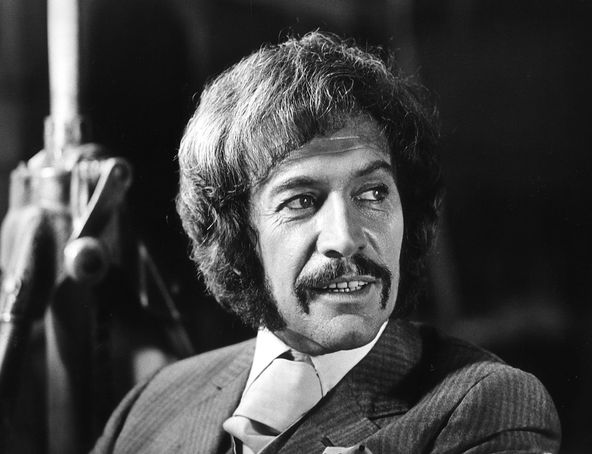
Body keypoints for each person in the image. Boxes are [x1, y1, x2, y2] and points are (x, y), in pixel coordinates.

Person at [93, 31, 561, 454]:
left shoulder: (484, 406)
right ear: (238, 236)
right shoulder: (151, 405)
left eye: (373, 193)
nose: (345, 239)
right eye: (301, 201)